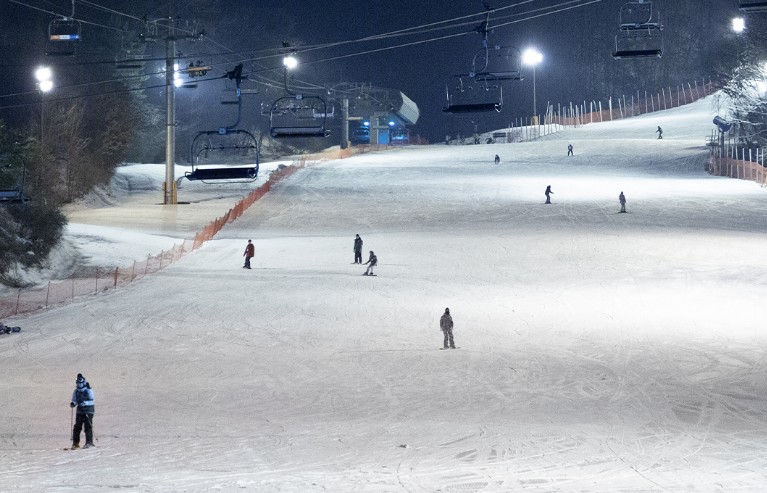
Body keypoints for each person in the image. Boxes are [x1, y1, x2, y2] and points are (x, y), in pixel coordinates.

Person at [70, 373, 95, 449]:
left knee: (88, 426)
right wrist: (73, 403)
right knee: (77, 427)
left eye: (80, 383)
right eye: (78, 383)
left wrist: (85, 403)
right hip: (80, 411)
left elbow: (92, 401)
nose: (79, 385)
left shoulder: (89, 390)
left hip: (88, 411)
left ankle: (89, 442)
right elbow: (75, 400)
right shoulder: (76, 391)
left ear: (83, 382)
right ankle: (75, 443)